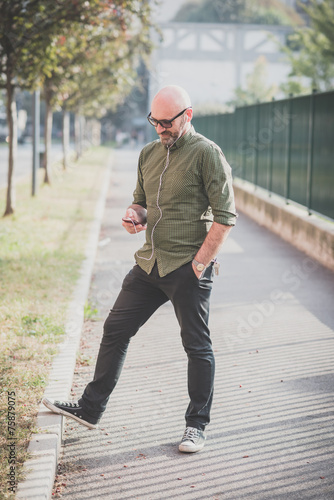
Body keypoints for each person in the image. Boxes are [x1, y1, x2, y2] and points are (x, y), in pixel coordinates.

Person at [43, 85, 237, 453]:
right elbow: (141, 204)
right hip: (149, 263)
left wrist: (199, 265)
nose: (160, 128)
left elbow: (225, 218)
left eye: (168, 122)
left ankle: (196, 426)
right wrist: (135, 216)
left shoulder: (207, 154)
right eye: (155, 121)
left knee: (196, 346)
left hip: (187, 267)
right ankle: (90, 407)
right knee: (115, 329)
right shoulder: (148, 153)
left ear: (188, 115)